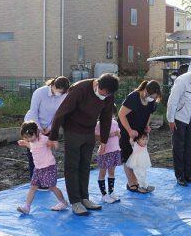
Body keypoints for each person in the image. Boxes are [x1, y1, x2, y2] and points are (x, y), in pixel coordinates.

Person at [48, 73, 118, 216]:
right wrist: (53, 136)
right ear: (98, 84)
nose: (104, 96)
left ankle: (84, 198)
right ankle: (75, 201)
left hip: (89, 131)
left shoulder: (108, 95)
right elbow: (61, 113)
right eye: (103, 93)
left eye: (107, 94)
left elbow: (106, 118)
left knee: (85, 165)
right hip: (73, 129)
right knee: (72, 165)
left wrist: (104, 140)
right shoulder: (80, 89)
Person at [118, 80, 162, 194]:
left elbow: (149, 114)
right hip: (127, 130)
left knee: (137, 157)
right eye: (151, 96)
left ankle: (138, 182)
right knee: (127, 156)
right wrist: (129, 130)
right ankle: (131, 183)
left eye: (154, 97)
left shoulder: (151, 101)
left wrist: (147, 126)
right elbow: (121, 114)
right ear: (145, 91)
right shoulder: (133, 97)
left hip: (140, 131)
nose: (152, 99)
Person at [16, 121, 68, 214]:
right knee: (33, 187)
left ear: (37, 132)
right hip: (38, 168)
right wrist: (25, 144)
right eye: (26, 138)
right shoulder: (32, 141)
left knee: (52, 187)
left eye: (30, 137)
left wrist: (54, 143)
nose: (29, 140)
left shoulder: (43, 139)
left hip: (48, 167)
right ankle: (27, 207)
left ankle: (63, 202)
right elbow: (33, 147)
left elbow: (53, 143)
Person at [23, 76, 70, 180]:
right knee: (34, 153)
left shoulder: (64, 95)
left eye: (61, 92)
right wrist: (38, 129)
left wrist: (50, 127)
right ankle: (35, 180)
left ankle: (45, 179)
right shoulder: (40, 93)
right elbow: (33, 111)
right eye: (57, 91)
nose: (58, 94)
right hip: (32, 125)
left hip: (48, 128)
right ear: (52, 85)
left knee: (46, 154)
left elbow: (58, 114)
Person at [95, 114, 122, 204]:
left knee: (112, 172)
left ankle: (111, 192)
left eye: (112, 114)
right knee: (102, 173)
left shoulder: (115, 123)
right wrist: (110, 135)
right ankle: (104, 195)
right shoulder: (99, 124)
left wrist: (118, 134)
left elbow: (119, 136)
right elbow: (96, 137)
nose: (111, 116)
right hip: (104, 152)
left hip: (115, 151)